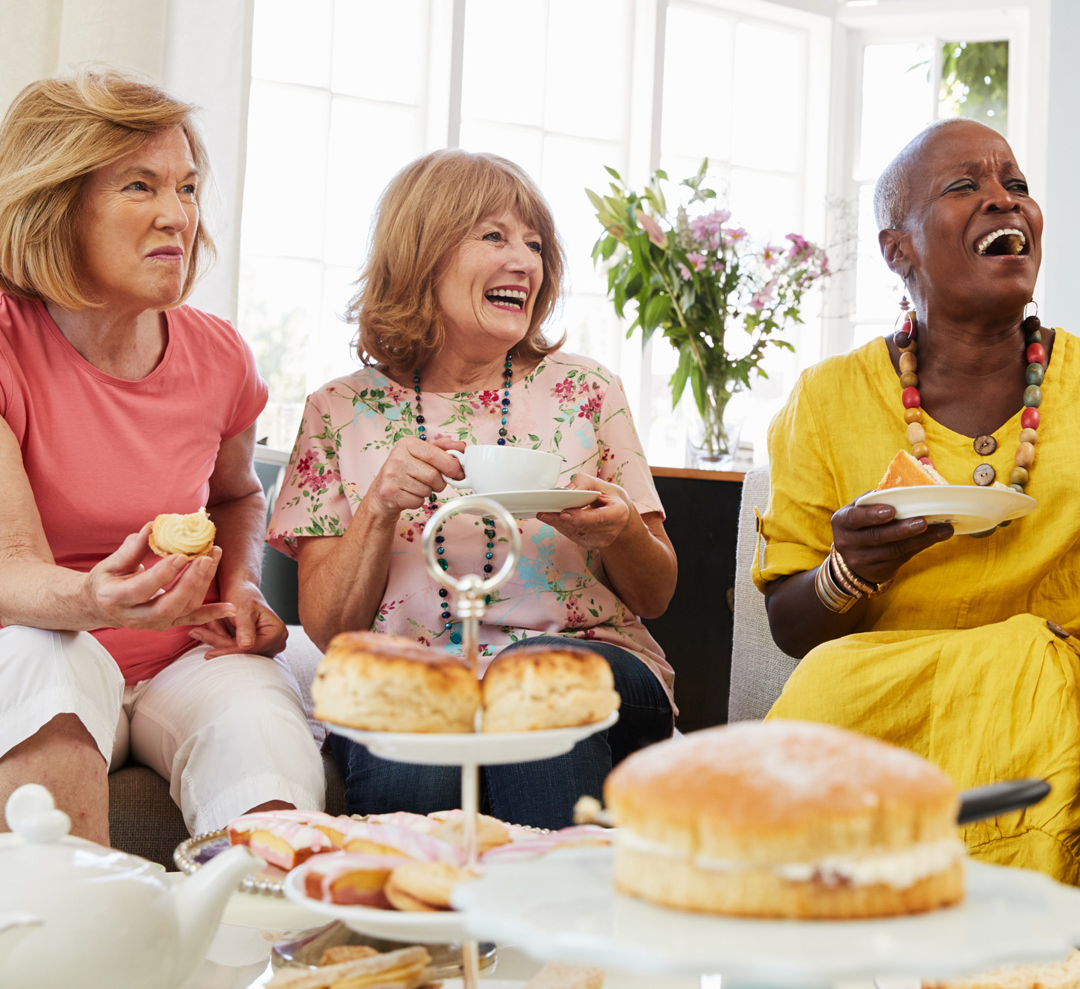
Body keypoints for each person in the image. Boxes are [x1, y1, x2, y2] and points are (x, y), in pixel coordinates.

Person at [269, 149, 677, 829]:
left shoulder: (587, 391)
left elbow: (658, 593)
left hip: (589, 664)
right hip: (415, 672)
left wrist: (621, 532)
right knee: (413, 715)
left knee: (535, 684)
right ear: (422, 252)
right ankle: (422, 928)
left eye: (535, 243)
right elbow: (331, 629)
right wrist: (380, 506)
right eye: (494, 235)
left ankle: (545, 930)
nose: (525, 261)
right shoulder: (338, 410)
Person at [0, 69, 324, 845]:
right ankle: (80, 951)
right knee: (48, 664)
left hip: (185, 652)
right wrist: (96, 602)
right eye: (140, 186)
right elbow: (10, 568)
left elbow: (238, 495)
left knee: (259, 727)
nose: (177, 215)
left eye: (186, 187)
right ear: (57, 203)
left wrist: (243, 585)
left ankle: (264, 954)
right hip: (41, 637)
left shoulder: (218, 356)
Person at [753, 117, 1080, 883]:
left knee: (1034, 674)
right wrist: (849, 570)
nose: (1004, 201)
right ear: (897, 249)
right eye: (966, 186)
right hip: (880, 692)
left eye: (1017, 186)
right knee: (821, 693)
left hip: (1059, 688)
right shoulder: (827, 397)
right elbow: (792, 630)